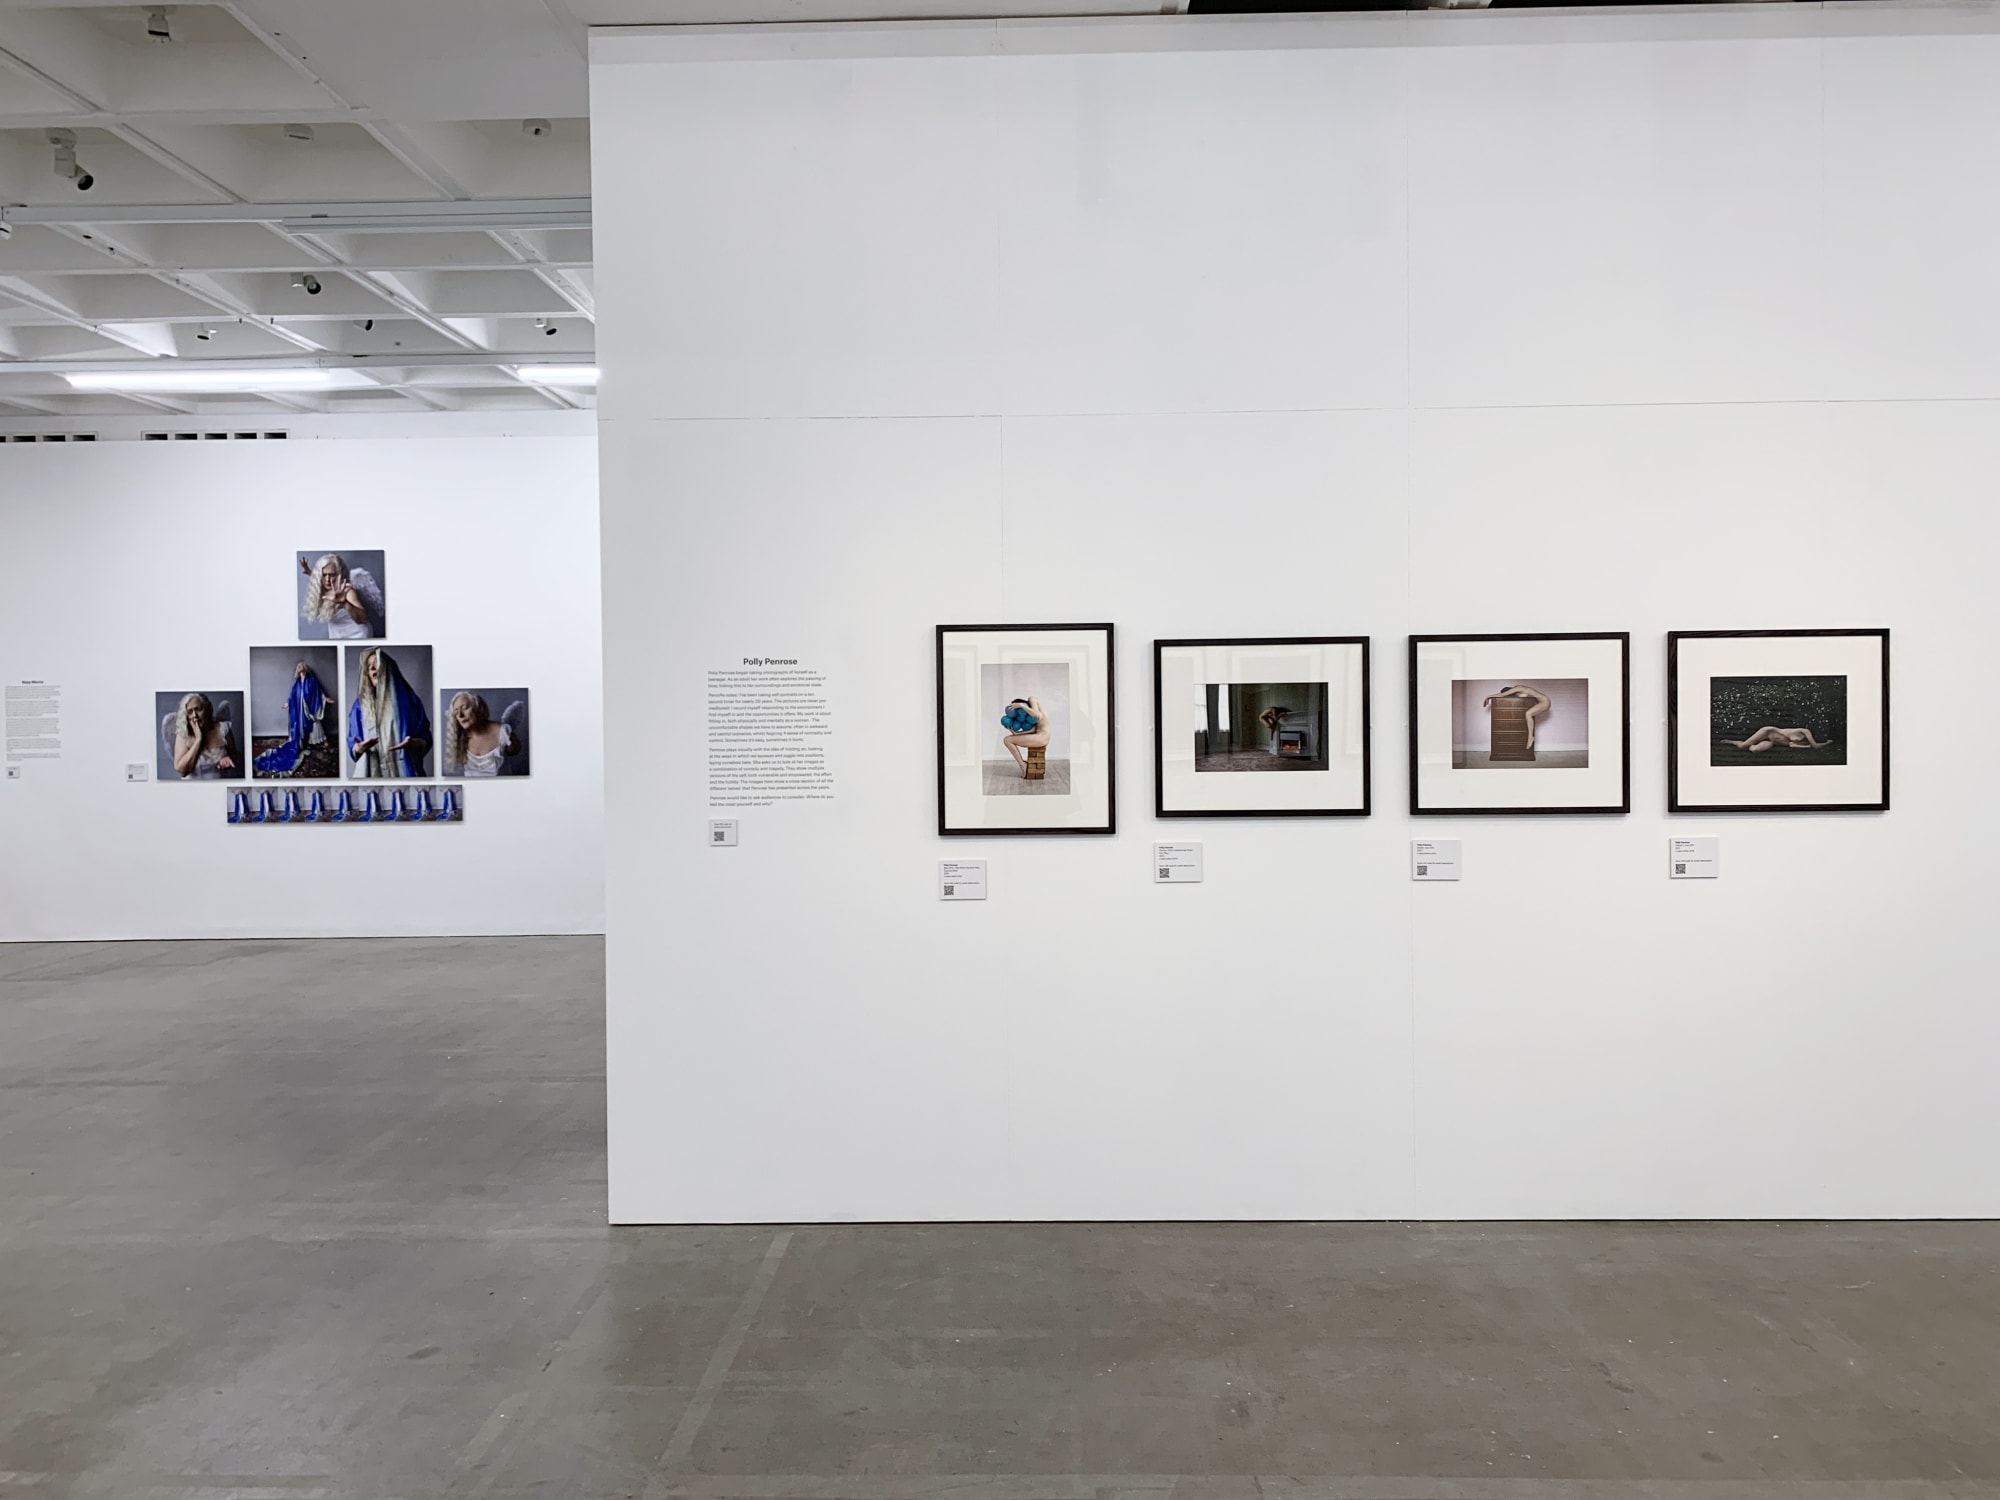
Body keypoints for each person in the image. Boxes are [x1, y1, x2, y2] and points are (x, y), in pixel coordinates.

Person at [348, 648, 431, 778]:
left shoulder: (409, 701)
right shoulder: (360, 706)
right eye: (369, 667)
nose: (373, 669)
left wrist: (414, 743)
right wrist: (358, 748)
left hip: (402, 770)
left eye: (377, 663)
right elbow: (353, 741)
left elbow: (425, 737)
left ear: (388, 668)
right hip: (372, 771)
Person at [253, 662, 333, 777]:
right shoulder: (297, 682)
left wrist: (325, 698)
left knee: (315, 724)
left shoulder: (312, 680)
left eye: (303, 669)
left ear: (305, 669)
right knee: (300, 728)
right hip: (299, 710)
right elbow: (292, 694)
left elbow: (318, 691)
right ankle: (304, 742)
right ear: (298, 671)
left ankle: (323, 740)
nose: (301, 672)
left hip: (309, 708)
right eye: (300, 670)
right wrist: (287, 703)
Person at [300, 553, 384, 639]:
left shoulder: (347, 591)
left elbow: (362, 619)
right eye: (324, 575)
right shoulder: (326, 586)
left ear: (339, 574)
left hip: (357, 635)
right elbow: (320, 580)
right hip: (337, 634)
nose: (327, 579)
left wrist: (345, 603)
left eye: (332, 575)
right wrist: (310, 573)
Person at [444, 692, 523, 778]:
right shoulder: (461, 738)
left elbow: (515, 751)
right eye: (456, 712)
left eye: (465, 708)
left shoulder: (503, 732)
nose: (460, 715)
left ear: (478, 707)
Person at [171, 692, 238, 780]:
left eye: (198, 709)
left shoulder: (223, 728)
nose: (194, 715)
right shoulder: (183, 734)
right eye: (190, 712)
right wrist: (198, 740)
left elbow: (235, 756)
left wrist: (227, 759)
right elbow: (182, 771)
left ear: (207, 710)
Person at [1481, 683, 1553, 750]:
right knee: (1528, 714)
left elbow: (1502, 694)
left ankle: (1530, 737)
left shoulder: (1518, 688)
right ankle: (1530, 737)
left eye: (1508, 693)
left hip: (1544, 702)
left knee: (1528, 714)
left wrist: (1488, 696)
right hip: (1543, 701)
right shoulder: (1519, 690)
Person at [1000, 696, 1049, 776]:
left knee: (1007, 740)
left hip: (1042, 737)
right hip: (1040, 736)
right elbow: (1033, 730)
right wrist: (1016, 733)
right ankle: (1023, 764)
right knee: (1007, 739)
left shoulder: (1032, 699)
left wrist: (1020, 705)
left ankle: (1023, 765)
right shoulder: (1030, 716)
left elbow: (1036, 715)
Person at [1727, 725, 1831, 753]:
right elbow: (1815, 747)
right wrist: (1827, 743)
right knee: (1742, 746)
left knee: (1754, 750)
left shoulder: (1805, 743)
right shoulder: (1805, 731)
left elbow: (1792, 745)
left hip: (1772, 741)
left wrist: (1808, 746)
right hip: (1769, 731)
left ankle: (1750, 743)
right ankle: (1734, 742)